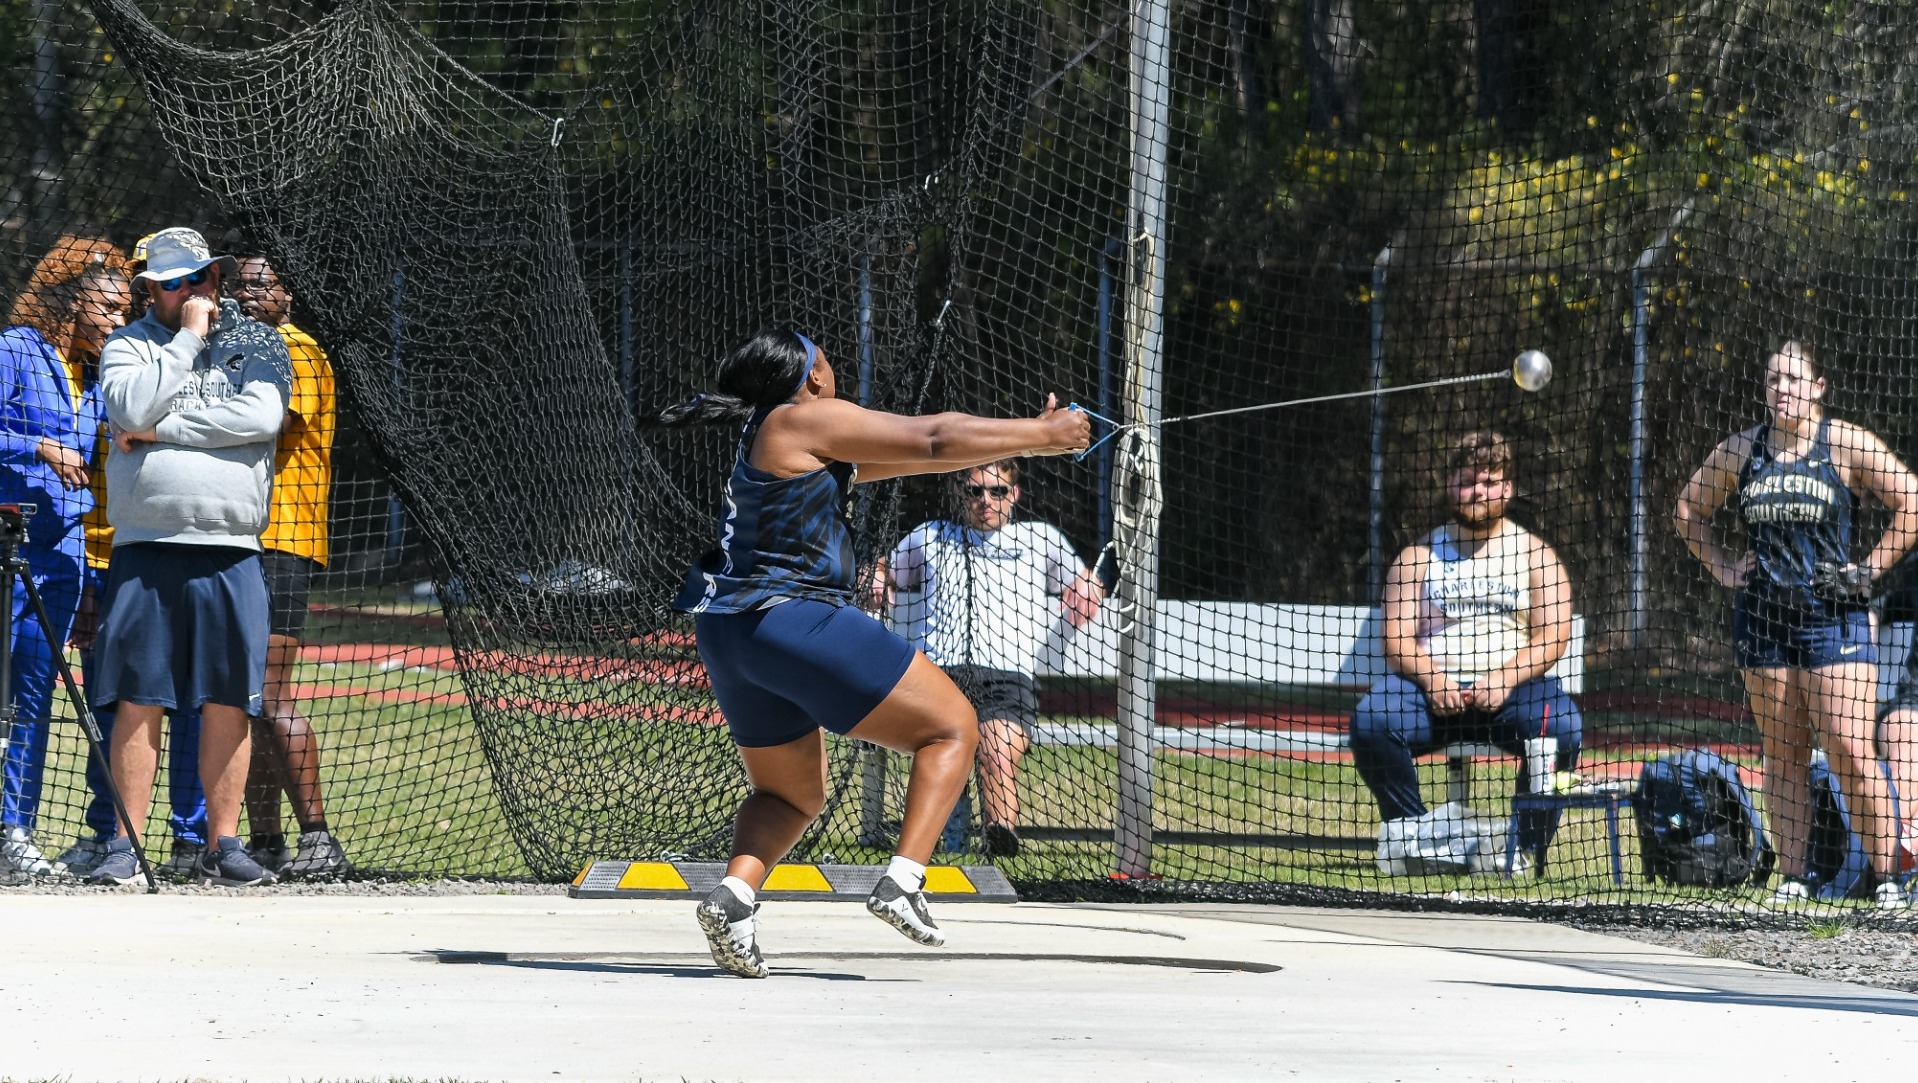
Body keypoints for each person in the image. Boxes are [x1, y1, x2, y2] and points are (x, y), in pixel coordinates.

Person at [657, 329, 1087, 977]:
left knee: (790, 796)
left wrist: (1033, 435)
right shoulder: (806, 416)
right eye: (826, 361)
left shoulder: (774, 434)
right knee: (953, 727)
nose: (835, 370)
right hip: (792, 617)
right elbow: (935, 436)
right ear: (811, 377)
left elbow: (929, 457)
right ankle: (904, 881)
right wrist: (1042, 431)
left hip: (729, 632)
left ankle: (734, 897)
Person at [1675, 339, 1918, 906]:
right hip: (1763, 620)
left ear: (1817, 387)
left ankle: (1889, 878)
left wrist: (1868, 570)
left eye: (1791, 379)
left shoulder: (1847, 444)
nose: (1779, 389)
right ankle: (1792, 876)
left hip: (1833, 619)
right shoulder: (1743, 450)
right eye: (1771, 380)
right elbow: (1688, 509)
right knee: (1782, 754)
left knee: (1850, 751)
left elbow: (1911, 502)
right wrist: (1722, 566)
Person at [83, 226, 290, 887]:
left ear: (216, 275)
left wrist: (159, 431)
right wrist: (189, 340)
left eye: (199, 278)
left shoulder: (258, 341)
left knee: (229, 698)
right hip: (146, 550)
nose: (190, 291)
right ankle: (126, 848)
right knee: (137, 696)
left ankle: (222, 843)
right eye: (173, 283)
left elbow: (261, 417)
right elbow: (129, 404)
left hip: (229, 548)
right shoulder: (127, 344)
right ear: (150, 289)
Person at [1349, 430, 1583, 870]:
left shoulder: (1536, 555)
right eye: (1467, 480)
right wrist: (1432, 678)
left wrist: (1505, 678)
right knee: (1370, 721)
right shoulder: (1417, 556)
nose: (1478, 491)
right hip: (1431, 696)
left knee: (1564, 730)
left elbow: (1552, 636)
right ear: (1449, 483)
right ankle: (1413, 839)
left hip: (1514, 694)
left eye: (1490, 482)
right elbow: (1396, 639)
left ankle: (1522, 852)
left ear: (1508, 488)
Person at [54, 230, 210, 880]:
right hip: (113, 550)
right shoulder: (113, 357)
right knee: (119, 698)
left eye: (183, 277)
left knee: (203, 699)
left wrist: (158, 428)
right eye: (149, 279)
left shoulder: (224, 350)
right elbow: (125, 419)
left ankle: (195, 837)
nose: (157, 292)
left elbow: (246, 426)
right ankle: (112, 835)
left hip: (198, 545)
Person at [881, 458, 1103, 858]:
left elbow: (1084, 584)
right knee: (944, 751)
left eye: (997, 491)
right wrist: (877, 575)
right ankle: (944, 845)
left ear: (1014, 494)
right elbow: (889, 571)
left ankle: (999, 843)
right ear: (959, 494)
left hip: (1007, 677)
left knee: (997, 751)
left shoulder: (1041, 540)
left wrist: (1089, 588)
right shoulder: (930, 536)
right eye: (975, 491)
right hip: (940, 674)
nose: (986, 500)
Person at [0, 236, 128, 875]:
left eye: (123, 309)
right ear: (69, 299)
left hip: (66, 561)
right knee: (12, 691)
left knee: (34, 691)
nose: (116, 321)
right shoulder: (15, 351)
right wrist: (39, 449)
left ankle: (14, 832)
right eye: (106, 307)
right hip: (12, 555)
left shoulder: (98, 374)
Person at [229, 250, 350, 880]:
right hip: (247, 537)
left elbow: (263, 423)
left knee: (269, 695)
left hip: (285, 539)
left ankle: (319, 837)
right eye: (239, 286)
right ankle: (267, 841)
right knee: (247, 700)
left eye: (260, 285)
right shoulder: (254, 347)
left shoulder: (295, 350)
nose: (247, 295)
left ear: (288, 295)